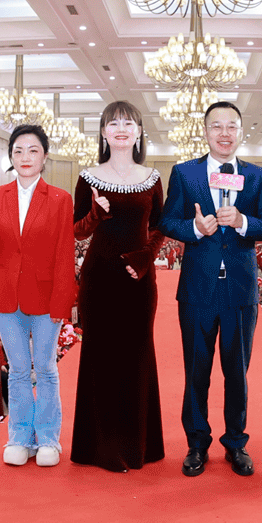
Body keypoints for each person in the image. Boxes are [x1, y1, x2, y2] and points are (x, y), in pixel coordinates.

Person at [160, 101, 262, 477]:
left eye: (231, 126)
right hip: (198, 289)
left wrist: (243, 221)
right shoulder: (185, 173)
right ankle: (196, 444)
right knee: (197, 371)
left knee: (236, 372)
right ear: (205, 131)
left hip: (240, 290)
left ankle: (236, 443)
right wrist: (194, 229)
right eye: (216, 126)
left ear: (241, 132)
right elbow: (167, 220)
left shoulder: (257, 176)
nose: (224, 134)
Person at [70, 100, 166, 473]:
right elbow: (77, 230)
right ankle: (103, 447)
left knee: (138, 354)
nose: (121, 129)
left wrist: (145, 257)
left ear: (139, 132)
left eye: (128, 123)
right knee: (101, 357)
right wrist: (96, 213)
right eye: (113, 123)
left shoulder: (152, 178)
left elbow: (159, 226)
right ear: (103, 132)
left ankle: (138, 444)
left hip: (139, 279)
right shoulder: (88, 177)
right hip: (99, 279)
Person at [0, 124, 78, 467]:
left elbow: (65, 254)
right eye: (18, 150)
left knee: (46, 369)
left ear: (44, 156)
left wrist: (63, 301)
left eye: (33, 150)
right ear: (10, 156)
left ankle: (48, 438)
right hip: (8, 297)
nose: (25, 157)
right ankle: (19, 437)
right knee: (19, 370)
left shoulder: (60, 199)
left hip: (46, 296)